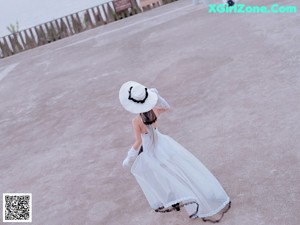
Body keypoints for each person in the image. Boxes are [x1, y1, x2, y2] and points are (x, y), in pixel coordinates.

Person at [119, 81, 231, 222]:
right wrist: (156, 97)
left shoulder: (136, 121)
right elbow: (166, 107)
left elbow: (139, 142)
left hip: (151, 151)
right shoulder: (154, 111)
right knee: (179, 171)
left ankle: (177, 197)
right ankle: (186, 195)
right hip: (164, 145)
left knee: (163, 175)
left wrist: (129, 158)